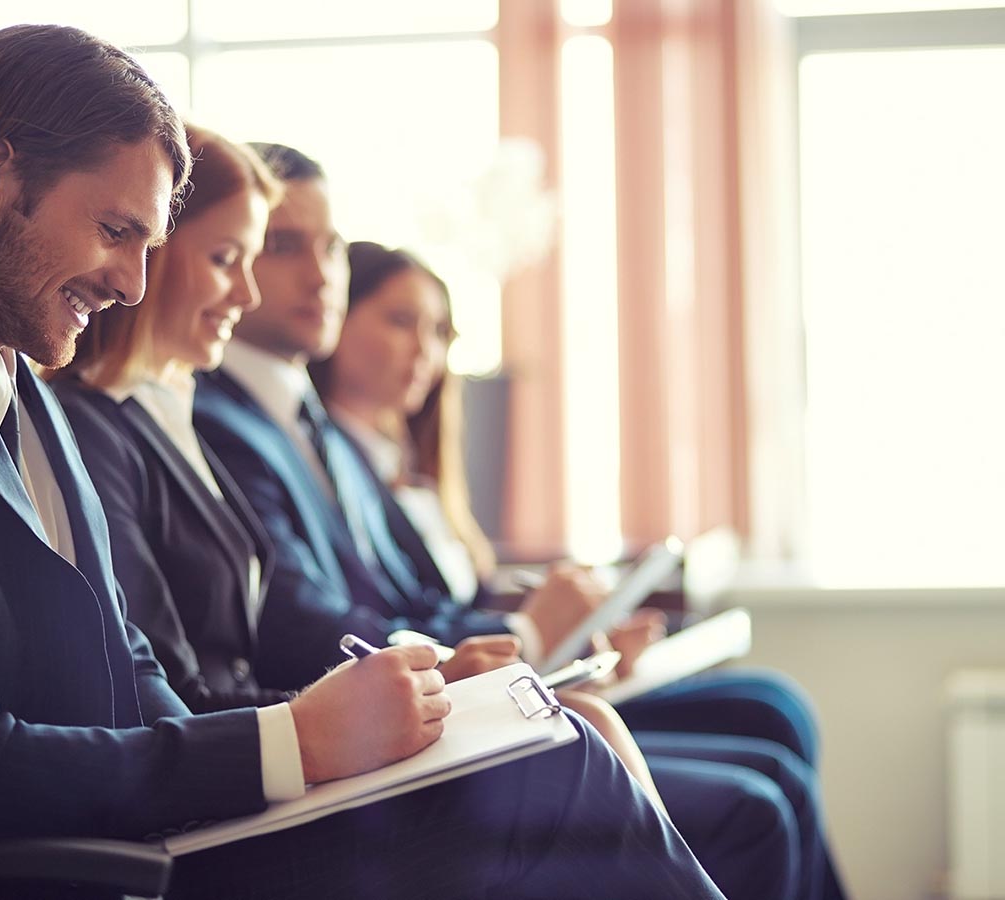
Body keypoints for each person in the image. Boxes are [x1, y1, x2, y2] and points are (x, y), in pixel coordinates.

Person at [0, 26, 727, 900]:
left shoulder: (14, 370)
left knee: (550, 746)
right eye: (117, 232)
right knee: (562, 778)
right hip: (80, 869)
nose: (132, 284)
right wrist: (288, 744)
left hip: (154, 825)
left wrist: (339, 721)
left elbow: (129, 669)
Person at [192, 143, 809, 900]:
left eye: (328, 248)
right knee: (738, 792)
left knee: (750, 729)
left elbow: (398, 600)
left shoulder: (310, 424)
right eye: (278, 247)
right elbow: (302, 620)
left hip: (400, 701)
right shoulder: (224, 420)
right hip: (339, 736)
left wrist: (532, 635)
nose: (320, 274)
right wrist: (517, 641)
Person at [312, 238, 849, 900]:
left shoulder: (418, 476)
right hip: (474, 705)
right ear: (339, 321)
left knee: (776, 708)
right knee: (763, 788)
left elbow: (458, 600)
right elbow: (410, 618)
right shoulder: (334, 467)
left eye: (441, 331)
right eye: (400, 321)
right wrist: (534, 631)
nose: (426, 351)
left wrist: (580, 633)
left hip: (518, 674)